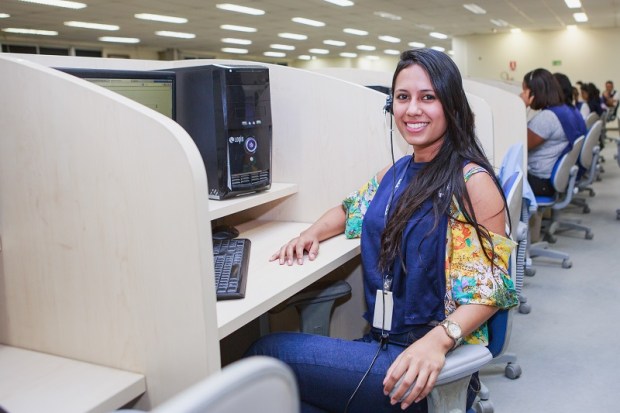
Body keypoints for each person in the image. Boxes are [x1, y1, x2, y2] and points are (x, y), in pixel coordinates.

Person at [246, 48, 518, 413]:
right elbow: (348, 210)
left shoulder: (471, 183)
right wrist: (310, 233)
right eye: (403, 97)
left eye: (428, 97)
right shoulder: (397, 173)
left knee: (266, 356)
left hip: (427, 365)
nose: (412, 109)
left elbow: (491, 289)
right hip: (382, 343)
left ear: (450, 105)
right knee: (289, 401)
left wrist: (438, 342)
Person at [521, 68, 584, 197]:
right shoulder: (563, 110)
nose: (522, 94)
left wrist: (520, 106)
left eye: (524, 90)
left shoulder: (547, 117)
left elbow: (518, 145)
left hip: (539, 181)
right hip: (548, 178)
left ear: (534, 92)